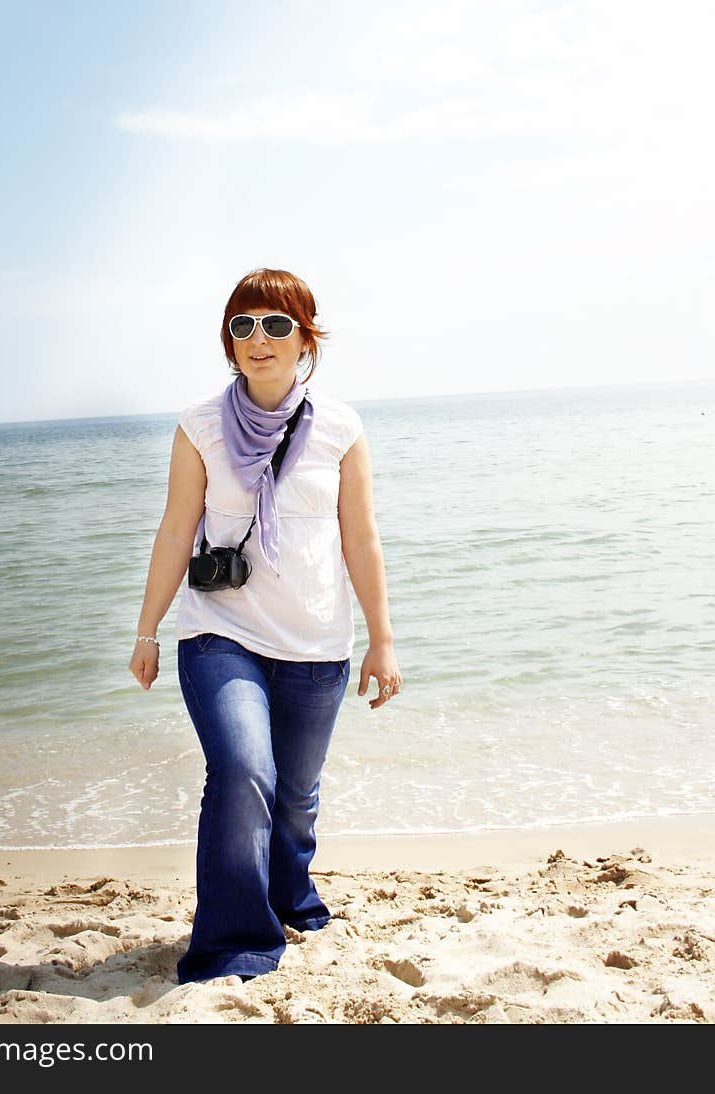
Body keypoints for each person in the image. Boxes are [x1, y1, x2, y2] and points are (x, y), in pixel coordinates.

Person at [129, 267, 401, 986]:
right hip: (219, 633)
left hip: (316, 641)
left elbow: (361, 539)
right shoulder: (198, 427)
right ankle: (233, 943)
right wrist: (147, 629)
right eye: (243, 324)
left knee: (296, 795)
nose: (259, 339)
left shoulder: (341, 428)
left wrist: (382, 639)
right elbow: (174, 529)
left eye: (277, 325)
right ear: (228, 340)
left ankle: (292, 894)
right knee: (243, 770)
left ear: (305, 339)